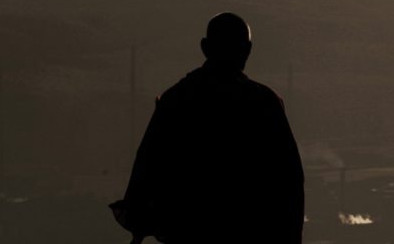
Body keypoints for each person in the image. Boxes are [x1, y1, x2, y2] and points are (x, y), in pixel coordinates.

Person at [111, 12, 304, 244]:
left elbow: (148, 166)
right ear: (248, 49)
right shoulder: (264, 103)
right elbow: (289, 180)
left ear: (205, 47)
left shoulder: (176, 99)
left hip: (188, 230)